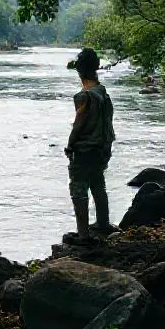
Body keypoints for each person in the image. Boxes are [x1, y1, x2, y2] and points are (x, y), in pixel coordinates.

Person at [63, 47, 117, 245]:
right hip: (103, 148)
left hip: (85, 149)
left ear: (80, 72)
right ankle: (103, 223)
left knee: (78, 189)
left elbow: (79, 124)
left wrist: (70, 145)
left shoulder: (84, 96)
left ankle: (83, 235)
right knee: (97, 183)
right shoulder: (103, 93)